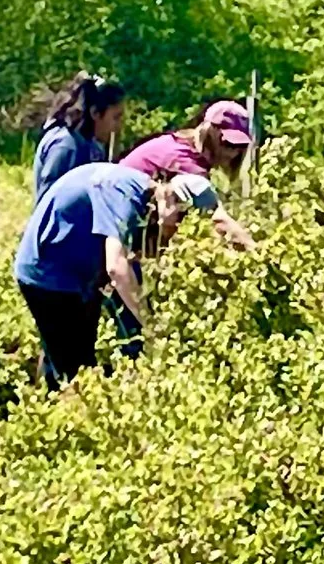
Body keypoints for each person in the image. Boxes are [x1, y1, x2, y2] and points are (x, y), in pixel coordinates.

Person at [14, 161, 213, 387]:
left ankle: (45, 401)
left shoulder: (144, 199)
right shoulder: (125, 195)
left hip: (78, 274)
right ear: (173, 201)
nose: (179, 231)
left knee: (67, 354)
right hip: (49, 272)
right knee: (76, 371)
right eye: (182, 220)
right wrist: (151, 327)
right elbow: (116, 268)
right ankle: (61, 413)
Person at [121, 99, 257, 253]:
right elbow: (217, 219)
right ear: (209, 132)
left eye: (240, 146)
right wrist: (254, 250)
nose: (233, 153)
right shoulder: (185, 162)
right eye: (228, 144)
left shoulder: (181, 143)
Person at [33, 74, 126, 200]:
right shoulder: (65, 146)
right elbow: (49, 202)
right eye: (116, 117)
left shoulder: (91, 145)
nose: (119, 126)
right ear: (95, 113)